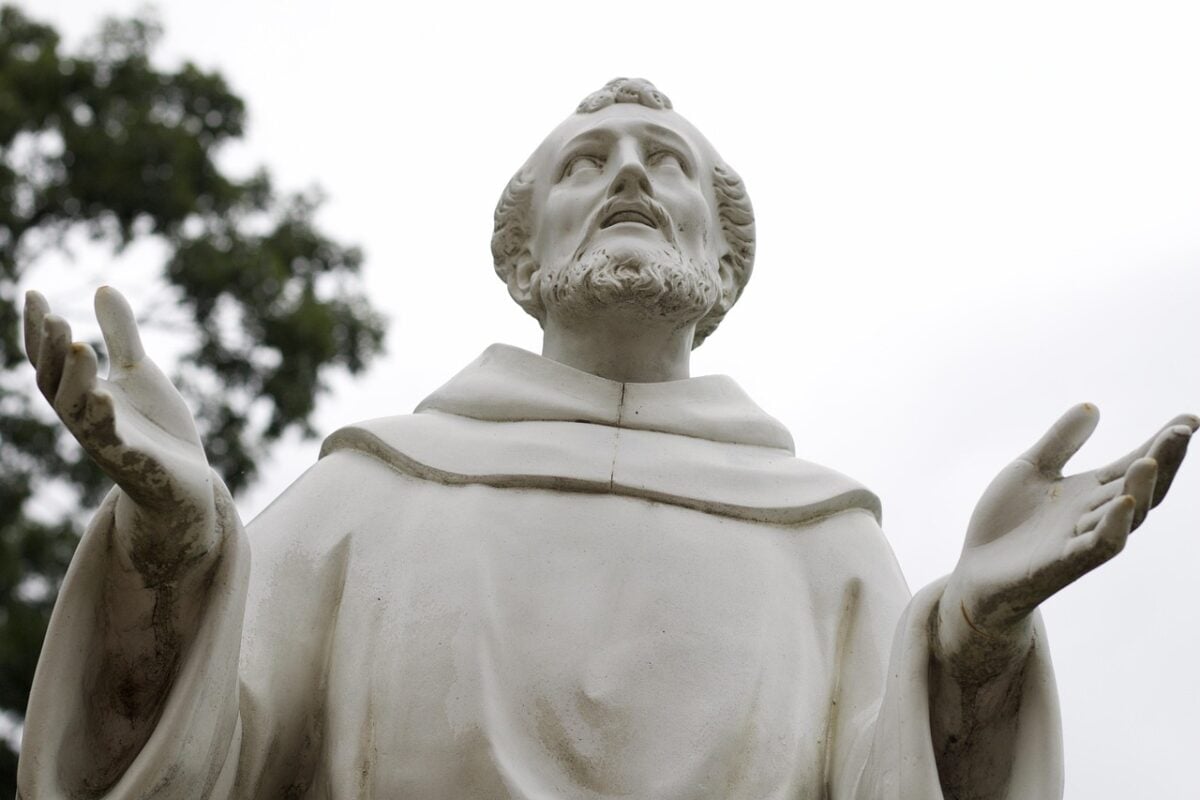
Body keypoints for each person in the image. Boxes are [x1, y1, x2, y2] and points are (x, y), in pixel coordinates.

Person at [17, 78, 1195, 799]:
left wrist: (973, 642)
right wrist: (167, 551)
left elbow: (901, 778)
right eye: (585, 164)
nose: (628, 169)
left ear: (723, 260)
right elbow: (180, 766)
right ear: (523, 256)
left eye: (664, 161)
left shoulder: (823, 540)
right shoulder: (371, 494)